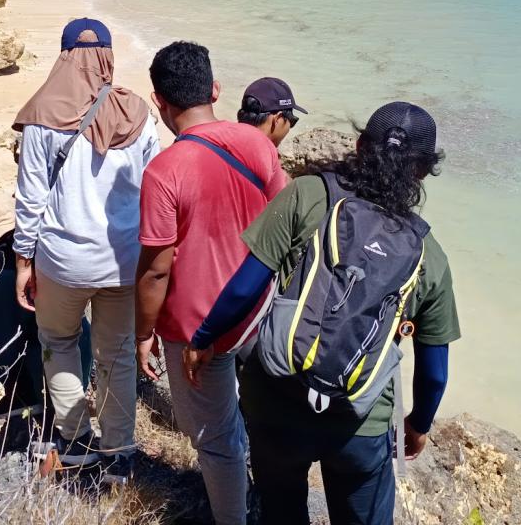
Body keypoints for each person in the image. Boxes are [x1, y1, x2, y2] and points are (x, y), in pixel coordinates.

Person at [184, 102, 459, 525]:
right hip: (359, 421)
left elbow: (244, 286)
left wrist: (203, 339)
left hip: (275, 398)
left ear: (360, 144)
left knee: (280, 511)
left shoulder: (309, 194)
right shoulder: (428, 254)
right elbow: (435, 370)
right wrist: (419, 424)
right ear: (423, 170)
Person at [135, 41, 288, 525]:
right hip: (258, 309)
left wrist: (144, 333)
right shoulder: (258, 144)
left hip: (195, 327)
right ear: (216, 90)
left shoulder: (163, 171)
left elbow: (156, 268)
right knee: (255, 418)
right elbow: (285, 219)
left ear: (160, 102)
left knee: (216, 441)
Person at [12, 18, 160, 472]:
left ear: (63, 55)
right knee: (116, 353)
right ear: (108, 57)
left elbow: (32, 198)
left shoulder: (42, 115)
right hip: (122, 260)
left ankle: (75, 439)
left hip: (62, 261)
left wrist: (23, 261)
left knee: (59, 342)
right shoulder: (138, 114)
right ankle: (118, 452)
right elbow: (153, 191)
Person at [0, 189, 91, 422]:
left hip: (56, 375)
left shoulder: (10, 279)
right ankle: (26, 394)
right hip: (78, 356)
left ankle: (25, 397)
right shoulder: (45, 251)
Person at [237, 77, 307, 148]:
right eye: (292, 121)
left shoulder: (227, 137)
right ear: (277, 119)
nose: (289, 127)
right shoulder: (263, 156)